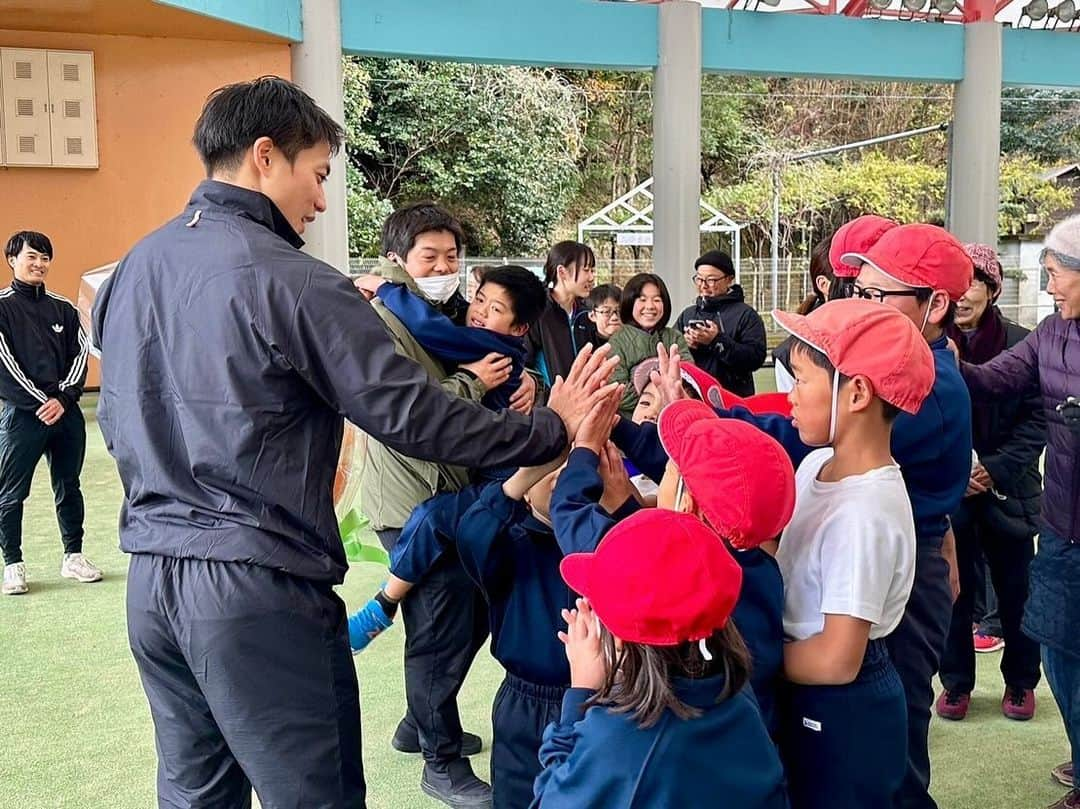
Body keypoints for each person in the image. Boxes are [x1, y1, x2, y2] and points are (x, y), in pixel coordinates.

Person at [92, 77, 612, 809]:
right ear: (265, 157)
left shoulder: (131, 269)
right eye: (320, 175)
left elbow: (115, 416)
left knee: (194, 790)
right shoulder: (295, 281)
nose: (323, 200)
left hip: (152, 579)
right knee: (316, 792)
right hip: (255, 581)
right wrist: (548, 428)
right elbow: (411, 415)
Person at [352, 209, 546, 805]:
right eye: (430, 255)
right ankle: (440, 763)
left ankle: (420, 725)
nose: (444, 267)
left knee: (465, 615)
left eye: (452, 255)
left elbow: (480, 364)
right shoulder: (383, 314)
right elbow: (397, 404)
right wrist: (473, 384)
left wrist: (523, 386)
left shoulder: (438, 311)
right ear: (399, 256)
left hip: (448, 489)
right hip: (411, 491)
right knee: (438, 631)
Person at [774, 299, 935, 809]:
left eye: (800, 380)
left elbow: (836, 658)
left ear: (858, 392)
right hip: (808, 687)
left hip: (842, 706)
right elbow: (795, 559)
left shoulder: (864, 513)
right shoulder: (817, 463)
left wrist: (746, 657)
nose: (788, 397)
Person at [531, 509, 788, 808]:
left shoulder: (620, 741)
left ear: (618, 637)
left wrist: (581, 694)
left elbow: (548, 800)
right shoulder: (734, 693)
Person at [956, 215, 1080, 809]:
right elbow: (989, 380)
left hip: (1036, 508)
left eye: (1055, 275)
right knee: (1056, 642)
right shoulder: (1051, 335)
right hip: (1061, 524)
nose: (1049, 286)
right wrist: (937, 354)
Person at [936, 243, 1044, 723]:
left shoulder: (1024, 342)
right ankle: (956, 683)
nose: (962, 296)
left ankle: (1021, 681)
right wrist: (956, 471)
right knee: (954, 590)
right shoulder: (932, 344)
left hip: (1009, 487)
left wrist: (993, 467)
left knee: (1016, 588)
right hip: (952, 489)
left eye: (972, 284)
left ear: (993, 288)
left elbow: (1037, 422)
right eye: (953, 286)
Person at [655, 402, 795, 737]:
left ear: (686, 504)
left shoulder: (690, 584)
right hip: (760, 742)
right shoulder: (764, 569)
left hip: (707, 751)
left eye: (666, 471)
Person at [1, 231, 100, 596]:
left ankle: (73, 556)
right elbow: (4, 364)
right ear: (12, 259)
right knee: (11, 492)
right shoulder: (2, 307)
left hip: (66, 415)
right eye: (31, 257)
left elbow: (80, 354)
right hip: (22, 417)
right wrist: (42, 401)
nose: (39, 264)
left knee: (69, 486)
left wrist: (64, 398)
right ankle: (13, 564)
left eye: (44, 257)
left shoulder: (64, 309)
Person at [354, 264, 546, 411]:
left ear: (519, 329)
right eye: (479, 299)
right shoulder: (501, 341)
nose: (481, 311)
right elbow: (462, 309)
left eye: (496, 309)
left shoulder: (491, 344)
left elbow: (431, 328)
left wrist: (385, 289)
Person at [774, 215, 897, 393]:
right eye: (857, 286)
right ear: (824, 284)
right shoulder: (792, 354)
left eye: (877, 289)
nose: (864, 298)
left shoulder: (910, 345)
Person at [674, 250, 766, 398]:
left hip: (734, 398)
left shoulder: (746, 315)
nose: (703, 286)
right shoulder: (688, 314)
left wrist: (717, 341)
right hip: (693, 397)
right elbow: (670, 348)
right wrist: (684, 343)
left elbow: (755, 358)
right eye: (699, 279)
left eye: (711, 280)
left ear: (729, 279)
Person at [607, 272, 692, 416]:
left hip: (671, 419)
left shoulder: (674, 337)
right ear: (629, 303)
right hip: (632, 423)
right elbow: (617, 391)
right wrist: (659, 396)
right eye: (642, 299)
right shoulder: (617, 342)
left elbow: (689, 378)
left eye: (657, 300)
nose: (650, 306)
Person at [526, 241, 596, 391]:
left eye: (592, 270)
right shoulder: (537, 310)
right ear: (562, 272)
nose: (592, 277)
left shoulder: (587, 313)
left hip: (583, 403)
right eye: (586, 270)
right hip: (548, 405)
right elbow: (524, 362)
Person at [574, 283, 621, 348]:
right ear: (592, 316)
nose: (614, 317)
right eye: (606, 311)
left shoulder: (633, 341)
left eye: (619, 311)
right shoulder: (584, 344)